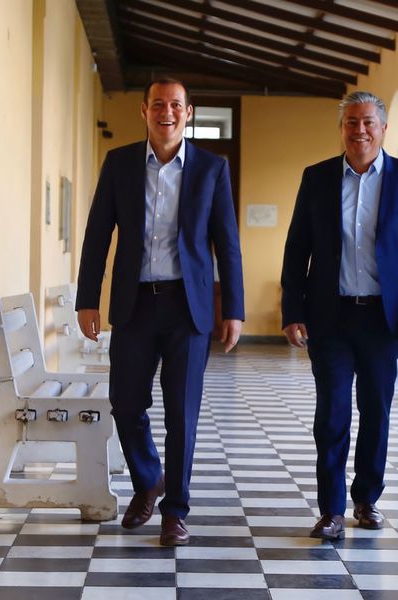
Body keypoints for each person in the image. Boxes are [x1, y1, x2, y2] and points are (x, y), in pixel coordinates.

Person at [76, 77, 244, 546]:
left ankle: (175, 512)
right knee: (126, 403)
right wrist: (87, 298)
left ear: (188, 113)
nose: (166, 112)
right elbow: (97, 234)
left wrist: (234, 308)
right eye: (157, 104)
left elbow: (227, 242)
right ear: (144, 111)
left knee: (182, 414)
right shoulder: (120, 163)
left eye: (175, 105)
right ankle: (149, 478)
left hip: (188, 308)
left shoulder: (212, 168)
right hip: (134, 305)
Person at [281, 91, 398, 540]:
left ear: (384, 129)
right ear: (342, 129)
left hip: (382, 320)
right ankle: (331, 509)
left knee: (376, 412)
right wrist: (293, 310)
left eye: (368, 122)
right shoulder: (317, 178)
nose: (360, 130)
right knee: (331, 415)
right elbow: (297, 248)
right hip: (329, 317)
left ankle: (366, 499)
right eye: (351, 122)